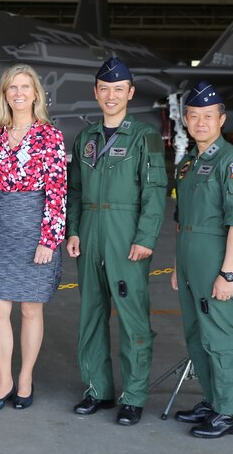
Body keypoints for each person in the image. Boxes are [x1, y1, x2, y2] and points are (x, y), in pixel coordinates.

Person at [66, 57, 166, 426]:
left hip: (126, 234)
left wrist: (145, 237)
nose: (111, 96)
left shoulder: (144, 136)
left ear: (130, 93)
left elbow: (155, 191)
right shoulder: (86, 137)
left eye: (118, 89)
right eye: (104, 89)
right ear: (96, 92)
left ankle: (134, 396)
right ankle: (98, 390)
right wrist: (73, 229)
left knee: (132, 316)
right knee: (90, 314)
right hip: (90, 229)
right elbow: (73, 189)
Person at [169, 81, 233, 438]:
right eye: (193, 116)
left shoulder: (232, 162)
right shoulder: (189, 163)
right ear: (185, 120)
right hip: (189, 259)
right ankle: (212, 399)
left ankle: (228, 411)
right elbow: (180, 220)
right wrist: (177, 266)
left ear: (222, 118)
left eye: (208, 116)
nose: (200, 122)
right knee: (196, 334)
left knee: (219, 335)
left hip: (215, 260)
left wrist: (228, 274)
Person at [0, 65, 66, 411]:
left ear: (35, 94)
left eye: (24, 87)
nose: (18, 93)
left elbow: (58, 191)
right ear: (5, 94)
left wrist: (49, 238)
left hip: (36, 229)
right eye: (11, 88)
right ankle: (4, 380)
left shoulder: (51, 136)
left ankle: (26, 378)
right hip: (1, 231)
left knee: (31, 310)